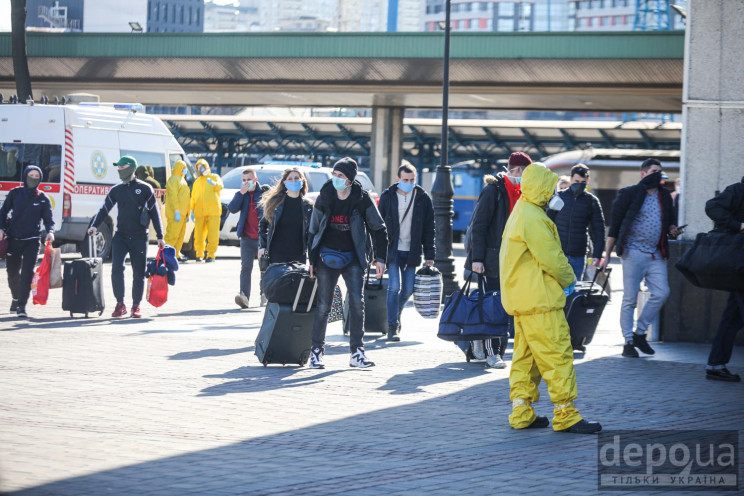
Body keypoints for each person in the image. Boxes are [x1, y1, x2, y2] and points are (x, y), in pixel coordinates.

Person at [500, 162, 601, 434]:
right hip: (540, 300)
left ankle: (522, 412)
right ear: (542, 187)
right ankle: (566, 413)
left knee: (525, 358)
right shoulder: (533, 216)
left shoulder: (521, 211)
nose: (554, 192)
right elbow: (552, 258)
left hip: (524, 300)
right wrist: (569, 279)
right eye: (551, 187)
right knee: (557, 354)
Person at [307, 157, 387, 369]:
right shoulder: (325, 195)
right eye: (335, 174)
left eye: (341, 176)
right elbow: (313, 230)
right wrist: (312, 260)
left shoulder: (362, 198)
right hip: (326, 256)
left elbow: (379, 228)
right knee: (324, 304)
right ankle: (316, 352)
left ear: (350, 179)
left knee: (356, 302)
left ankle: (357, 353)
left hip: (353, 257)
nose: (336, 179)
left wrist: (380, 258)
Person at [600, 158, 681, 358]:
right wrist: (607, 256)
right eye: (653, 170)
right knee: (630, 299)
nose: (657, 174)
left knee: (662, 292)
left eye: (659, 171)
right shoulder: (629, 193)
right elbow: (615, 227)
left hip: (655, 253)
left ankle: (640, 333)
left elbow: (669, 223)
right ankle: (628, 341)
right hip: (632, 252)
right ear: (643, 173)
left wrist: (673, 230)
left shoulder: (664, 196)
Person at [464, 151, 531, 369]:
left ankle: (484, 343)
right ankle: (492, 353)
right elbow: (479, 226)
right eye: (526, 171)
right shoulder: (494, 191)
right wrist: (478, 259)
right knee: (494, 306)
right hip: (492, 261)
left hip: (514, 261)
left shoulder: (524, 192)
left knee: (507, 307)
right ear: (518, 170)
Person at [88, 156, 165, 318]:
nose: (119, 170)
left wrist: (160, 236)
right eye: (118, 167)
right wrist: (94, 225)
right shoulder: (116, 189)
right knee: (116, 268)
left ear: (131, 168)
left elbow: (154, 213)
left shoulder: (145, 189)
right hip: (121, 236)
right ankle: (120, 304)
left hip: (139, 237)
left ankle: (135, 306)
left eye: (121, 167)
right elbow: (104, 209)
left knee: (138, 272)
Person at [377, 162, 435, 341]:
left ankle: (396, 314)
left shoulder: (422, 198)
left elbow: (428, 227)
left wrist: (430, 254)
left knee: (408, 289)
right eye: (405, 179)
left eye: (412, 179)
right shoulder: (388, 196)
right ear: (398, 179)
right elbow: (378, 226)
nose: (409, 183)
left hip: (412, 251)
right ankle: (392, 326)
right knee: (394, 287)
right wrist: (377, 254)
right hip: (392, 250)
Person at [0, 165, 55, 318]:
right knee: (12, 274)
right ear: (25, 176)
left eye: (37, 176)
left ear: (40, 179)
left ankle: (21, 306)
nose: (33, 178)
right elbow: (3, 213)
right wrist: (1, 228)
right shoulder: (15, 193)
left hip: (32, 240)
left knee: (27, 274)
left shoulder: (43, 198)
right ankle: (16, 298)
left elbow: (49, 220)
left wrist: (50, 232)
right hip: (13, 239)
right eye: (31, 175)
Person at [704, 176, 744, 382]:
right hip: (739, 262)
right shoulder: (738, 190)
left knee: (731, 317)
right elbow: (712, 207)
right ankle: (715, 365)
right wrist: (739, 225)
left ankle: (715, 364)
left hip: (739, 266)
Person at [548, 164, 605, 281]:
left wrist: (597, 255)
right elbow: (547, 222)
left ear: (588, 181)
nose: (579, 184)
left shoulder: (592, 201)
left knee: (574, 291)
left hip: (578, 256)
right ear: (570, 179)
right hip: (558, 254)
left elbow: (598, 230)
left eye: (582, 182)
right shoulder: (559, 197)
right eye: (576, 181)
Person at [228, 167, 268, 308]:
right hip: (246, 237)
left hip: (263, 238)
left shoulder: (263, 193)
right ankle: (244, 296)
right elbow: (232, 208)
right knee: (246, 267)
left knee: (264, 267)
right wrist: (241, 193)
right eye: (243, 180)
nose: (246, 183)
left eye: (249, 180)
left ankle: (265, 295)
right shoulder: (242, 194)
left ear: (255, 180)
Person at [258, 168, 314, 265]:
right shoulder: (275, 203)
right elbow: (263, 225)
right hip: (276, 254)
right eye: (290, 179)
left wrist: (313, 260)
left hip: (298, 255)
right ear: (284, 182)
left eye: (296, 178)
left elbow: (311, 233)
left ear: (302, 181)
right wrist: (262, 246)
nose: (293, 181)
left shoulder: (308, 206)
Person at [190, 158, 223, 263]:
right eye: (198, 167)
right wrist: (191, 209)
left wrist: (214, 184)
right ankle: (199, 254)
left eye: (202, 167)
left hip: (213, 211)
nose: (200, 169)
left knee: (213, 235)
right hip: (200, 212)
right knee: (198, 235)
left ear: (206, 167)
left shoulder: (214, 177)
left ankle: (211, 255)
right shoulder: (197, 182)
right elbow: (193, 197)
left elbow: (220, 187)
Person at [164, 160, 191, 261]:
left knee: (180, 236)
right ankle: (165, 254)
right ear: (179, 168)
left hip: (182, 214)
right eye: (183, 168)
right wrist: (176, 211)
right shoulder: (173, 180)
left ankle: (175, 254)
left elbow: (185, 198)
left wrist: (187, 213)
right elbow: (173, 196)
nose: (185, 170)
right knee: (172, 235)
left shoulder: (182, 180)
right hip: (176, 213)